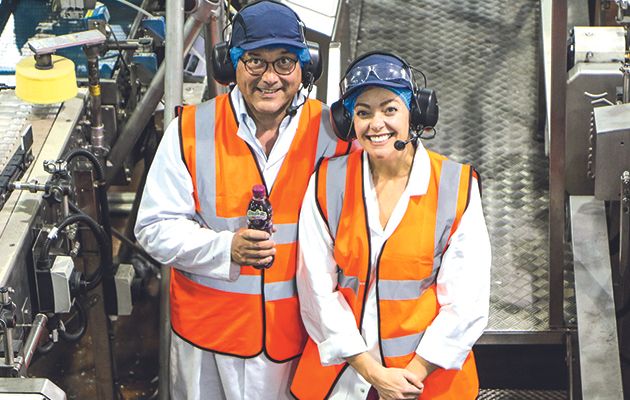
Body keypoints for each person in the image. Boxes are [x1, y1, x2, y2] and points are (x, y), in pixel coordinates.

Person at [134, 1, 352, 399]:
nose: (270, 77)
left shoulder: (335, 135)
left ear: (306, 67)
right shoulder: (189, 130)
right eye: (255, 62)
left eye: (285, 62)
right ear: (229, 64)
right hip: (209, 348)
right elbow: (153, 228)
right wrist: (224, 248)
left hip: (301, 342)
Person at [290, 52, 491, 400]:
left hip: (427, 383)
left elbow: (467, 302)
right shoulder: (326, 183)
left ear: (414, 113)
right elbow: (316, 291)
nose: (376, 124)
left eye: (389, 109)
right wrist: (373, 373)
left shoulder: (455, 187)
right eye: (363, 112)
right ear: (348, 120)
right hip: (346, 378)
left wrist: (410, 376)